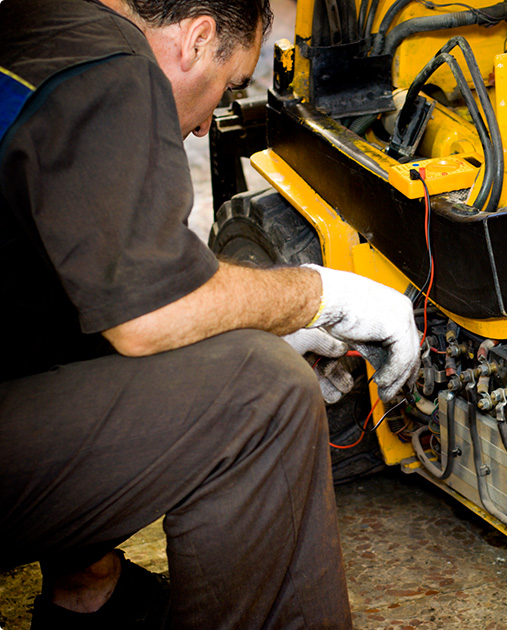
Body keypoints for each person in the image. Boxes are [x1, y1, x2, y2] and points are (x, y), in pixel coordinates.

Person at [0, 0, 420, 628]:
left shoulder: (37, 29)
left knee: (78, 298)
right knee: (262, 396)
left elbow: (101, 282)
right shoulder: (115, 68)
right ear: (196, 38)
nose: (204, 129)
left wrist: (251, 318)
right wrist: (323, 297)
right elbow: (149, 313)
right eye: (228, 84)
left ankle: (88, 589)